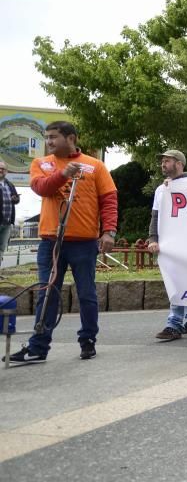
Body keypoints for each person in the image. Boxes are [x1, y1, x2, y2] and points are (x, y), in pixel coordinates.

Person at [5, 122, 117, 362]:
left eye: (54, 137)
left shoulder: (96, 166)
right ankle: (38, 347)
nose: (49, 142)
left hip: (84, 243)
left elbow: (109, 200)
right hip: (50, 242)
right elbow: (40, 188)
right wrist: (63, 174)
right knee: (47, 294)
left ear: (71, 138)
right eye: (47, 137)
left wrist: (109, 231)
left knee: (86, 294)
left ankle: (88, 340)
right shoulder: (41, 164)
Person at [148, 150, 187, 340]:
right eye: (162, 161)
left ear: (179, 163)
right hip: (169, 244)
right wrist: (153, 239)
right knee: (178, 280)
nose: (163, 164)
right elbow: (155, 216)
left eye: (167, 161)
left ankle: (174, 323)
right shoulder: (161, 189)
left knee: (179, 280)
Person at [0, 160, 19, 260]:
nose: (1, 170)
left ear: (6, 171)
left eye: (3, 169)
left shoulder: (10, 184)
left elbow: (16, 199)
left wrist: (16, 199)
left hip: (7, 223)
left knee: (2, 248)